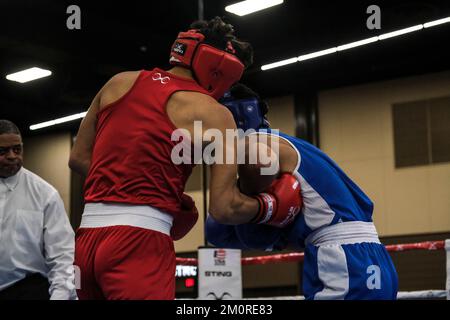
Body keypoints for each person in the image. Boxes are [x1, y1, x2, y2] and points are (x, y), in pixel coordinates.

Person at [69, 17, 302, 300]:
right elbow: (224, 207)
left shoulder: (118, 82)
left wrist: (135, 186)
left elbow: (79, 158)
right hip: (138, 242)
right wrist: (269, 206)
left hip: (85, 240)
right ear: (221, 67)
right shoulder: (213, 113)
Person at [206, 84, 399, 300]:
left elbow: (258, 161)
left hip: (343, 261)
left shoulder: (251, 143)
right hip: (374, 256)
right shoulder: (293, 144)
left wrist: (261, 206)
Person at [0, 120, 76, 300]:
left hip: (26, 289)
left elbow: (62, 255)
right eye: (3, 151)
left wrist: (60, 296)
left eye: (17, 149)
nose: (12, 156)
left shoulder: (45, 194)